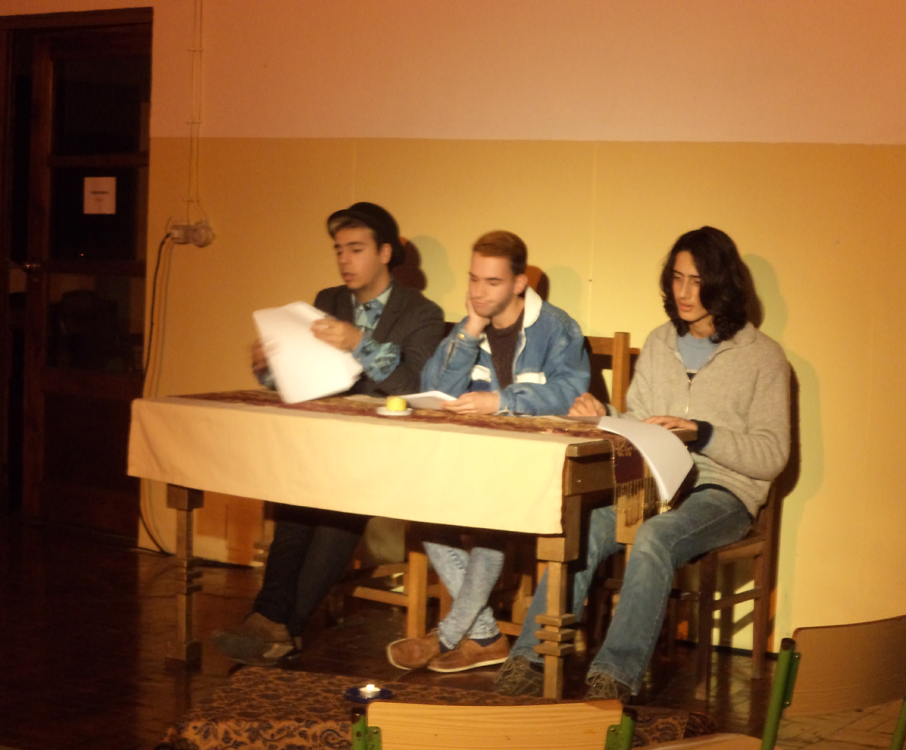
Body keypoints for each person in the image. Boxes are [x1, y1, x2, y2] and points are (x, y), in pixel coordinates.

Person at [494, 226, 791, 699]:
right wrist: (604, 415)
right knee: (583, 527)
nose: (684, 292)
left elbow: (773, 456)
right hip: (655, 482)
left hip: (723, 493)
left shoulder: (764, 357)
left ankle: (615, 675)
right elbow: (641, 422)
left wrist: (704, 433)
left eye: (697, 281)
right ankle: (531, 657)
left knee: (655, 537)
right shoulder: (660, 342)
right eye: (677, 278)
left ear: (723, 284)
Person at [212, 202, 445, 665]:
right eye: (339, 250)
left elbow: (415, 386)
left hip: (385, 443)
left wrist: (360, 343)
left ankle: (282, 625)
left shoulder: (422, 312)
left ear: (385, 252)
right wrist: (269, 367)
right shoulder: (329, 300)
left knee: (338, 507)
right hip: (326, 439)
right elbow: (307, 377)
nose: (344, 260)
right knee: (295, 502)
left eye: (355, 249)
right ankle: (271, 621)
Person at [385, 230, 590, 673]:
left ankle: (446, 636)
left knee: (490, 518)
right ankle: (485, 636)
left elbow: (570, 392)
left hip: (533, 465)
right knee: (422, 507)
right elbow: (433, 388)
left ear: (519, 283)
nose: (479, 291)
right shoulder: (470, 327)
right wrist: (470, 329)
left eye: (492, 282)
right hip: (474, 460)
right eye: (474, 279)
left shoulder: (556, 327)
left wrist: (502, 401)